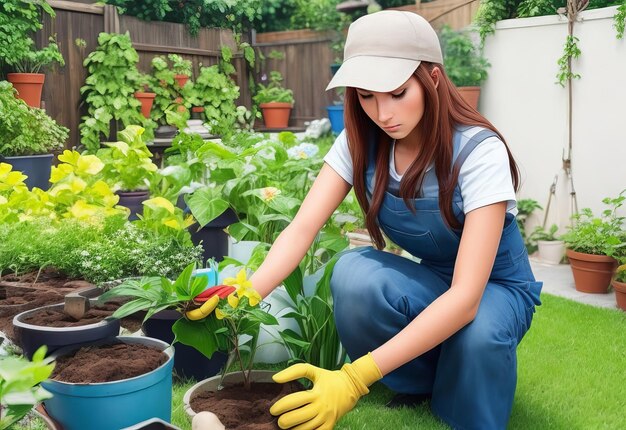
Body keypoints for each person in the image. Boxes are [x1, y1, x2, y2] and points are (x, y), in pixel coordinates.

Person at [246, 10, 542, 430]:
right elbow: (302, 228)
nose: (383, 113)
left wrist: (354, 377)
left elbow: (466, 297)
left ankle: (462, 394)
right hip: (436, 281)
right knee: (353, 273)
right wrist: (245, 295)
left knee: (476, 335)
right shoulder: (361, 142)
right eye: (367, 96)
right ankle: (421, 382)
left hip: (493, 289)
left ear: (433, 80)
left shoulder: (478, 151)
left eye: (398, 92)